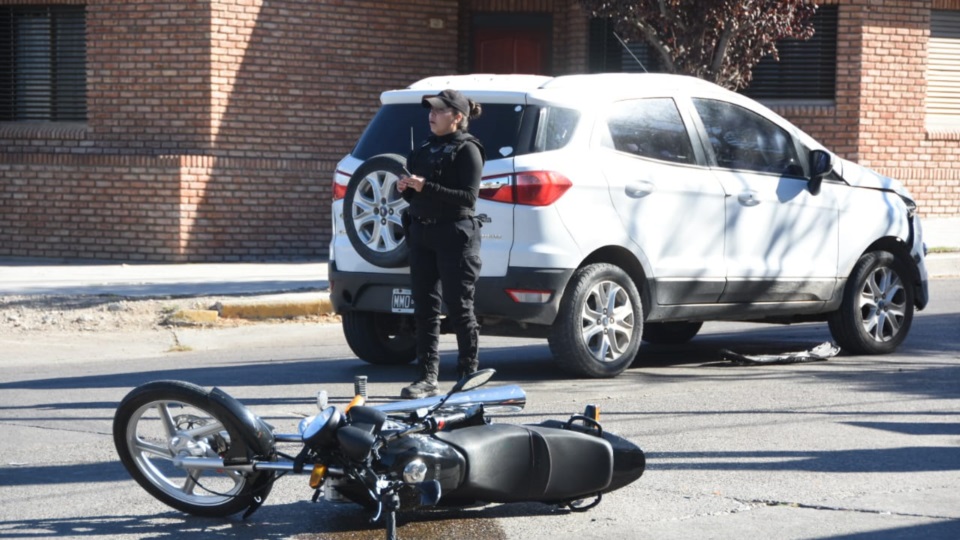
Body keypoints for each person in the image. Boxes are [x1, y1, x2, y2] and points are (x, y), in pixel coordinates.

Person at [396, 89, 486, 399]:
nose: (431, 115)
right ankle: (426, 377)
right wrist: (406, 188)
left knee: (460, 308)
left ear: (457, 117)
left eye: (439, 111)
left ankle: (467, 375)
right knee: (425, 310)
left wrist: (427, 186)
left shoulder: (468, 150)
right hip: (422, 234)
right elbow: (413, 196)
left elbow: (467, 198)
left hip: (455, 236)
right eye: (430, 110)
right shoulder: (423, 148)